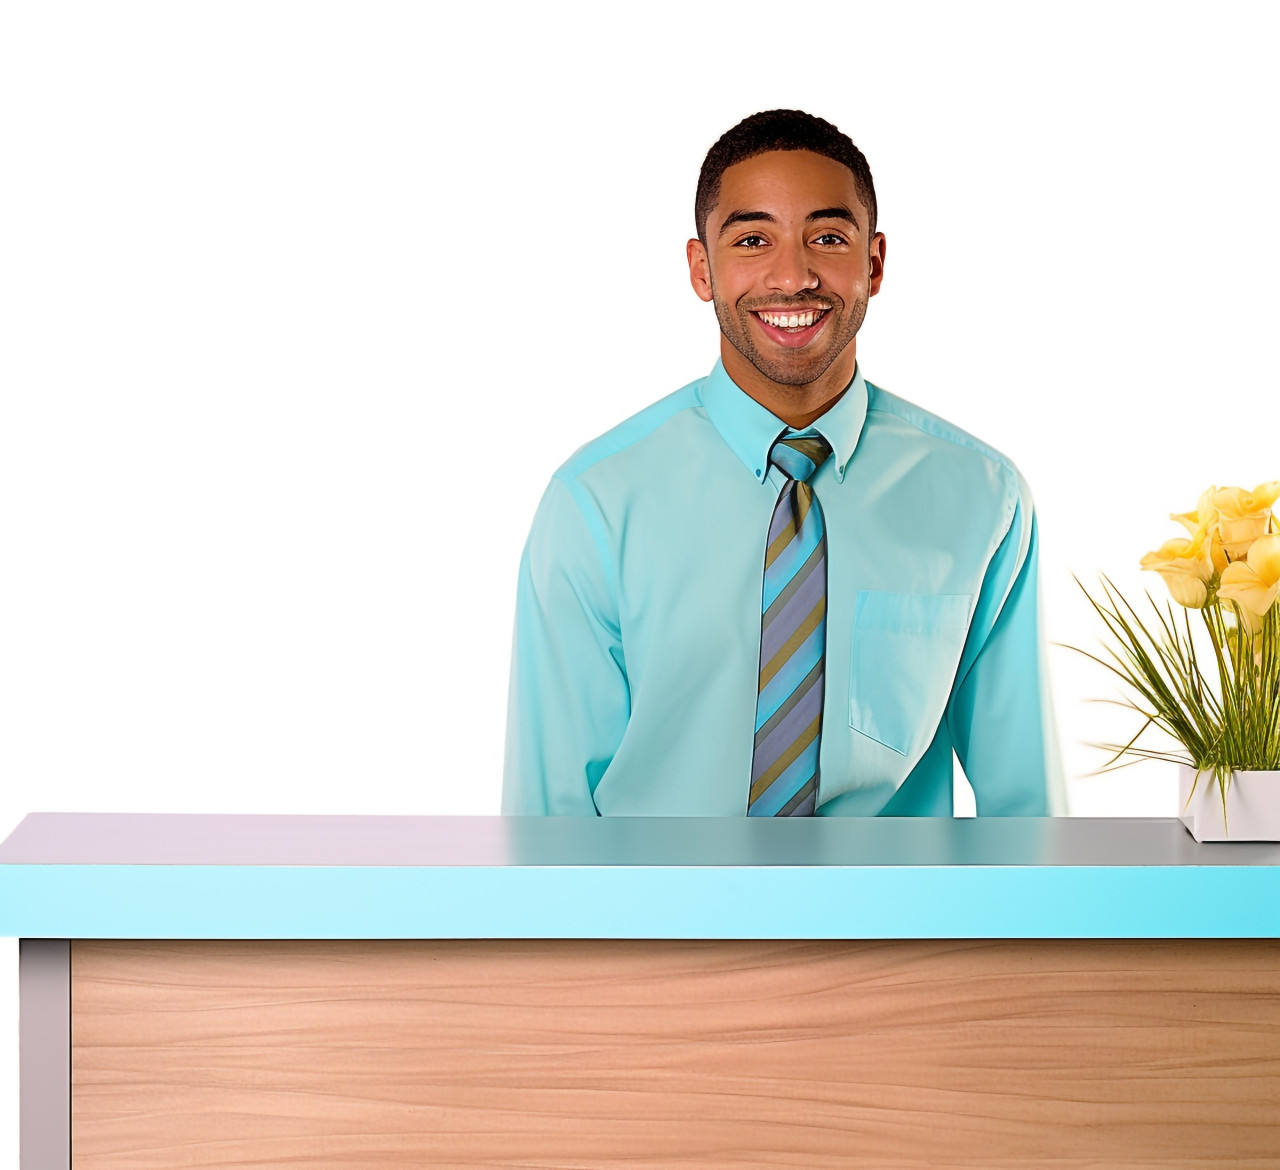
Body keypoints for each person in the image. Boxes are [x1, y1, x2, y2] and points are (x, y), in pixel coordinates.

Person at [502, 108, 1068, 818]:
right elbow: (547, 818)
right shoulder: (596, 502)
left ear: (875, 263)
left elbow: (1027, 810)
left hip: (895, 926)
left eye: (827, 237)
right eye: (752, 239)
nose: (793, 276)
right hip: (656, 924)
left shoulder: (984, 499)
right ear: (701, 269)